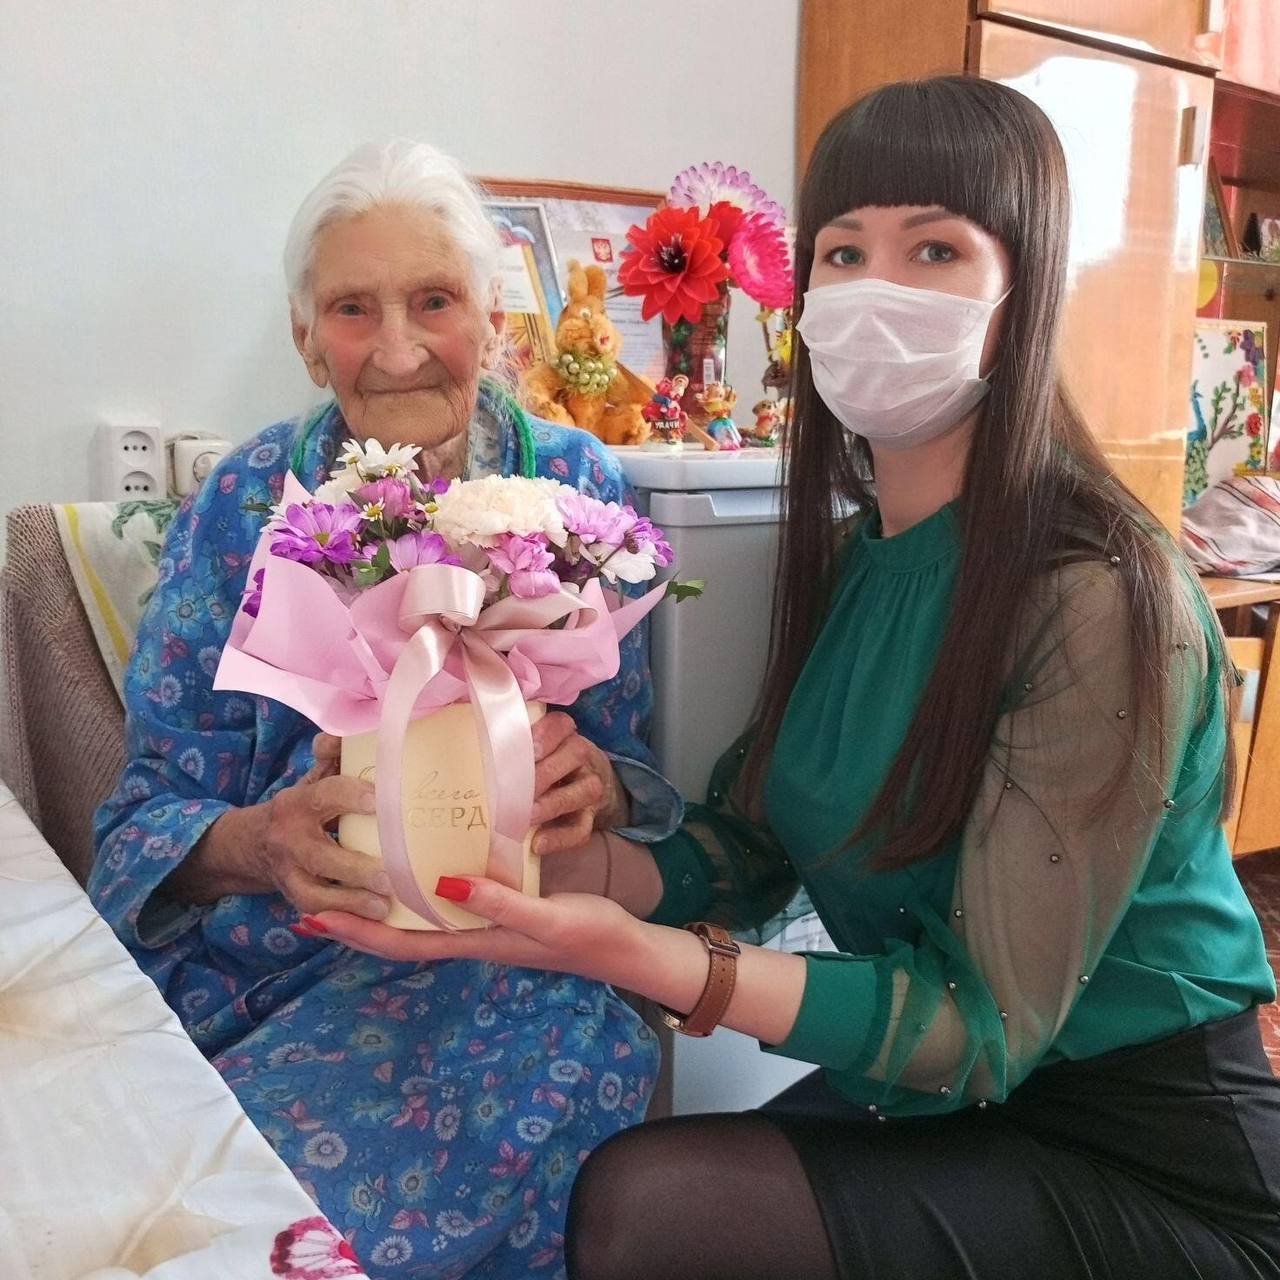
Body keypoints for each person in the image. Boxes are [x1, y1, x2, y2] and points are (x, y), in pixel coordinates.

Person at [309, 80, 1280, 1280]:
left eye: (934, 249)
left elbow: (978, 1025)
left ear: (1020, 289)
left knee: (650, 1210)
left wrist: (628, 951)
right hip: (935, 1096)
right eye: (843, 252)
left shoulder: (1097, 596)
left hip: (1141, 1145)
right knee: (638, 1193)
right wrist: (531, 857)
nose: (876, 288)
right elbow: (750, 844)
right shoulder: (858, 558)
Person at [90, 139, 676, 1279]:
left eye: (435, 301)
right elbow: (138, 822)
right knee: (178, 1204)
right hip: (274, 961)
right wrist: (261, 841)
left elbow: (632, 782)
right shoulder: (243, 502)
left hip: (504, 961)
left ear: (493, 322)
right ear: (308, 339)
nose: (398, 348)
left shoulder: (579, 490)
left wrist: (597, 786)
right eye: (354, 309)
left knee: (545, 1072)